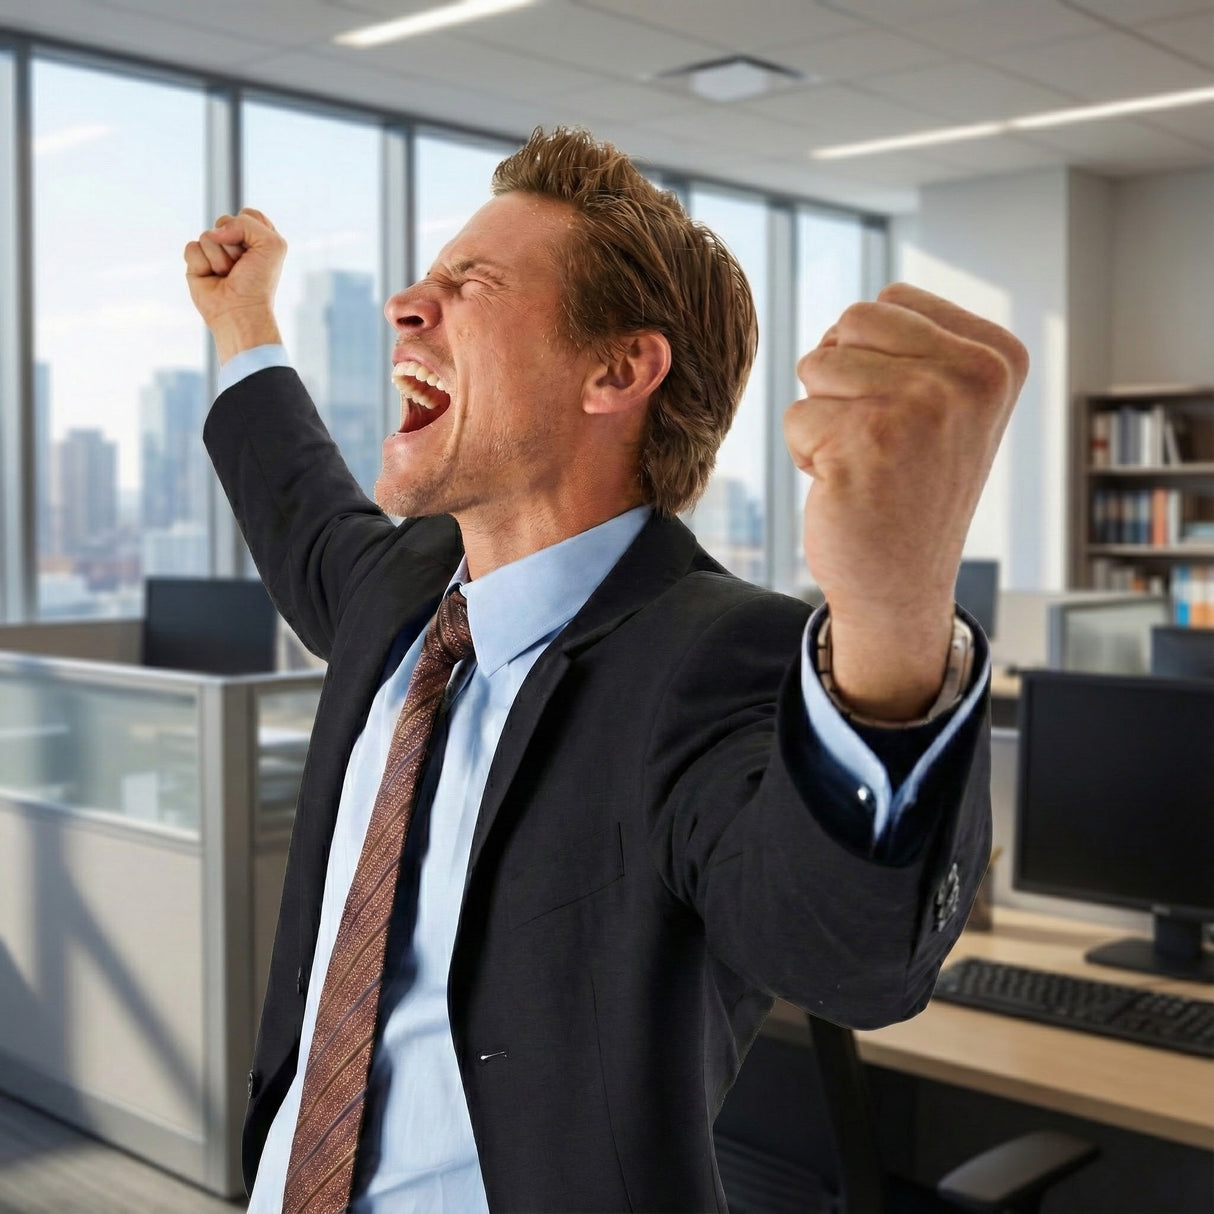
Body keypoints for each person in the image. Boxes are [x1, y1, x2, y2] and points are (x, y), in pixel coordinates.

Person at [184, 126, 1026, 1214]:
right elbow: (298, 507)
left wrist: (893, 606)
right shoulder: (405, 596)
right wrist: (242, 322)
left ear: (617, 369)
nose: (406, 303)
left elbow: (853, 957)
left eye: (468, 284)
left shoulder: (715, 658)